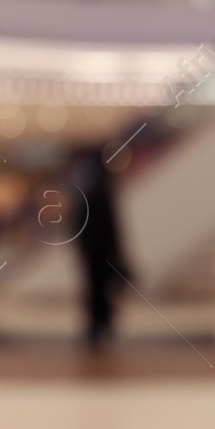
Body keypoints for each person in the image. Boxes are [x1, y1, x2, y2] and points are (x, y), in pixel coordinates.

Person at [70, 141, 130, 348]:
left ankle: (99, 325)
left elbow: (85, 226)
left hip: (97, 253)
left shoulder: (89, 195)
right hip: (100, 252)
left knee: (96, 290)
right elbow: (113, 227)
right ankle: (101, 324)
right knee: (99, 290)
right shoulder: (101, 194)